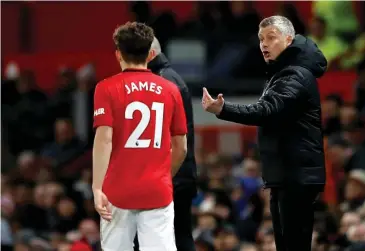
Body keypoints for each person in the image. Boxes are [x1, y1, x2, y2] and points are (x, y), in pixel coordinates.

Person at [202, 16, 327, 251]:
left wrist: (223, 108)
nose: (264, 45)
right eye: (261, 39)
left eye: (271, 38)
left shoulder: (295, 75)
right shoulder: (282, 73)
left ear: (288, 40)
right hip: (286, 173)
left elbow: (266, 110)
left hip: (295, 175)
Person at [92, 21, 188, 251]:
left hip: (117, 190)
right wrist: (164, 176)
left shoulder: (105, 88)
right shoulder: (170, 90)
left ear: (118, 54)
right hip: (157, 190)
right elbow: (181, 147)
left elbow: (104, 139)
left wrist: (97, 188)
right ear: (150, 53)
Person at [145, 37, 197, 251]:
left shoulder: (164, 82)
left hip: (171, 175)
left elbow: (163, 136)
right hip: (176, 174)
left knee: (174, 238)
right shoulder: (166, 78)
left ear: (149, 55)